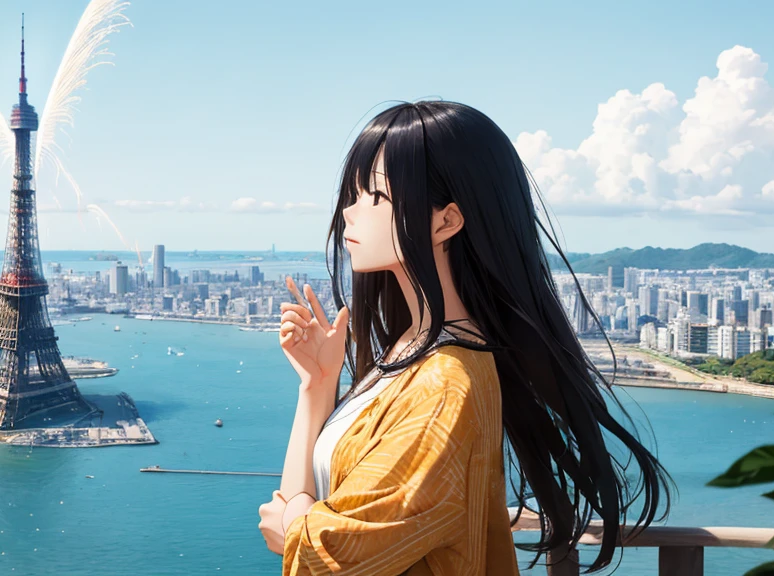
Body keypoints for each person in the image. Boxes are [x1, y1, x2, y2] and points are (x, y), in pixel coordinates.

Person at [258, 100, 674, 575]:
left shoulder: (445, 384)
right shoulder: (410, 353)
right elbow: (299, 526)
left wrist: (294, 524)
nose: (349, 212)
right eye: (352, 194)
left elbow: (328, 554)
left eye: (373, 195)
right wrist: (317, 385)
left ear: (446, 221)